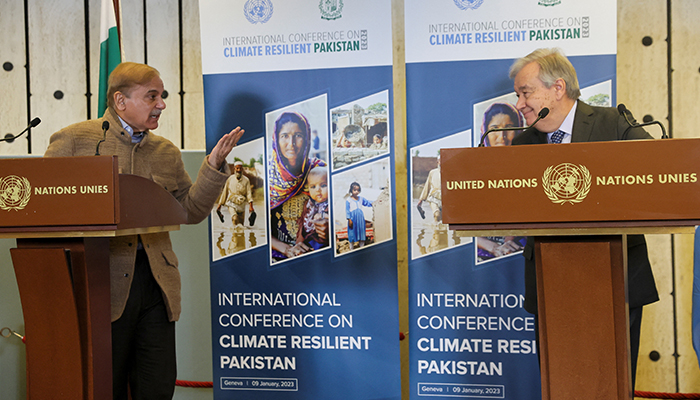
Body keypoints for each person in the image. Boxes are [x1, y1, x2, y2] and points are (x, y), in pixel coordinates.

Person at [43, 61, 244, 400]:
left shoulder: (165, 152)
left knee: (157, 385)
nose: (162, 104)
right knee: (106, 385)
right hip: (99, 283)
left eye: (161, 96)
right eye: (152, 96)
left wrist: (212, 168)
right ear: (120, 101)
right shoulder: (75, 140)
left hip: (157, 285)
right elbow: (45, 204)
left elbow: (191, 211)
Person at [509, 48, 658, 387]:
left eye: (525, 92)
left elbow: (656, 169)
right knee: (560, 382)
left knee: (613, 383)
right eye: (518, 94)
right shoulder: (523, 144)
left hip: (615, 276)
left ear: (557, 88)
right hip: (550, 283)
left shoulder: (613, 123)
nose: (519, 104)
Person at [268, 111, 327, 260]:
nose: (291, 144)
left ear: (306, 139)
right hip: (278, 255)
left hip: (313, 251)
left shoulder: (318, 170)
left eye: (298, 136)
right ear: (276, 139)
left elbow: (335, 209)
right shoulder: (267, 177)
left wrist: (327, 225)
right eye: (285, 136)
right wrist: (287, 249)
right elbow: (258, 228)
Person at [296, 165, 329, 250]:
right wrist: (299, 243)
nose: (318, 190)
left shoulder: (331, 204)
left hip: (324, 241)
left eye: (323, 185)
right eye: (313, 187)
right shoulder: (308, 204)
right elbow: (302, 224)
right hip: (308, 241)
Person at [216, 161, 254, 226]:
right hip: (231, 202)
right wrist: (219, 206)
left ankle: (237, 235)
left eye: (240, 168)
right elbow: (225, 192)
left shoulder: (246, 180)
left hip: (241, 204)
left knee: (241, 225)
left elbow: (248, 193)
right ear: (234, 169)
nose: (239, 170)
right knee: (235, 218)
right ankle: (234, 235)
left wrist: (251, 206)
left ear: (242, 169)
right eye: (237, 168)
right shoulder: (230, 179)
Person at [346, 182, 373, 250]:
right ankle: (351, 247)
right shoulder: (348, 200)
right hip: (353, 218)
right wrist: (349, 219)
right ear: (351, 190)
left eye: (358, 190)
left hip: (360, 218)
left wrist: (376, 201)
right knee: (352, 232)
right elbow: (347, 211)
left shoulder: (361, 199)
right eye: (355, 190)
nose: (356, 192)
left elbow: (367, 202)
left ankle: (362, 247)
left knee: (361, 231)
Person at [417, 153, 442, 224]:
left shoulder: (450, 173)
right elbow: (427, 186)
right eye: (440, 160)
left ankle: (438, 233)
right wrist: (421, 200)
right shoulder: (432, 172)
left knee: (443, 220)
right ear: (438, 162)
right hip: (434, 198)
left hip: (445, 199)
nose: (442, 162)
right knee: (437, 215)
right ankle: (436, 231)